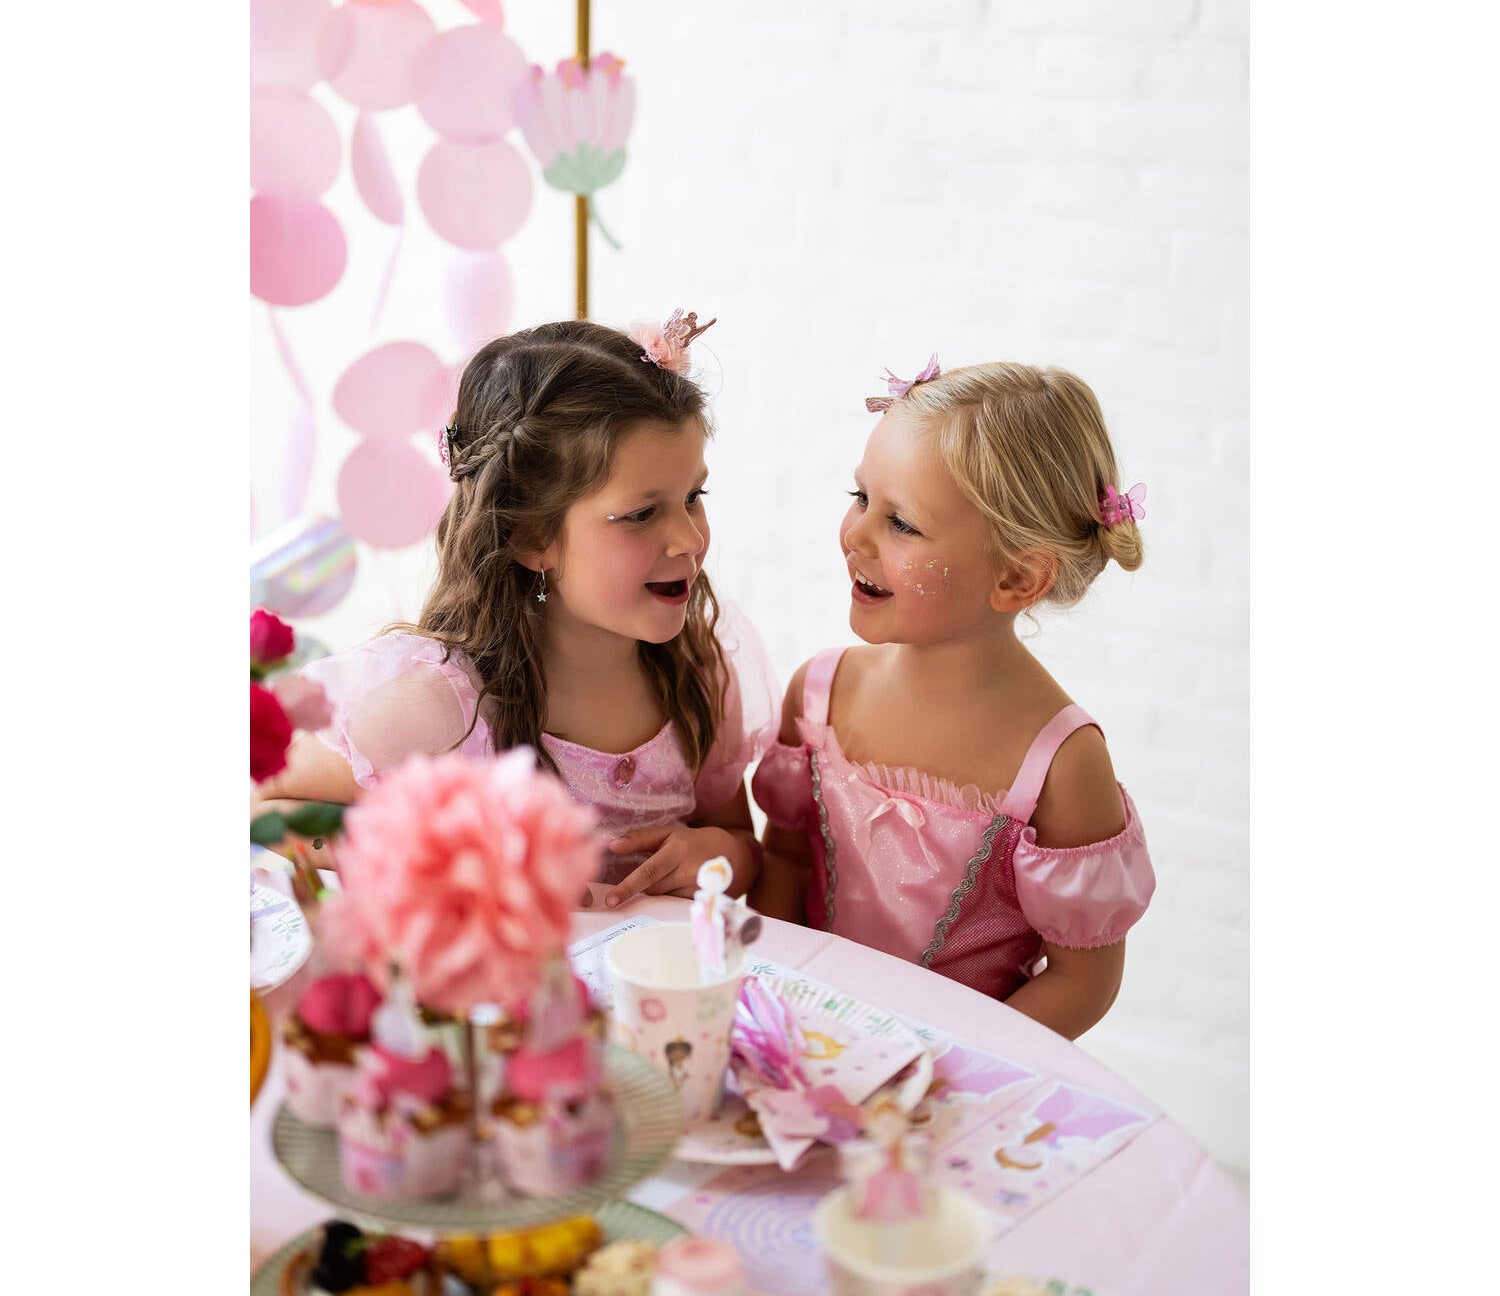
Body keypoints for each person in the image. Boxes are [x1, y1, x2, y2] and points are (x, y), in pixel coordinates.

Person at [261, 315, 777, 902]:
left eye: (693, 497)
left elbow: (737, 839)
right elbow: (264, 810)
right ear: (530, 536)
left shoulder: (698, 674)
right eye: (640, 514)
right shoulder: (440, 710)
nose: (688, 538)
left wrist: (720, 854)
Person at [750, 359, 1155, 1038]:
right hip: (799, 1043)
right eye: (860, 497)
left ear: (1017, 577)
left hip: (951, 1084)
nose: (856, 535)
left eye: (902, 524)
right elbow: (786, 865)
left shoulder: (1062, 766)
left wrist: (949, 1068)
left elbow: (1083, 981)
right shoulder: (819, 696)